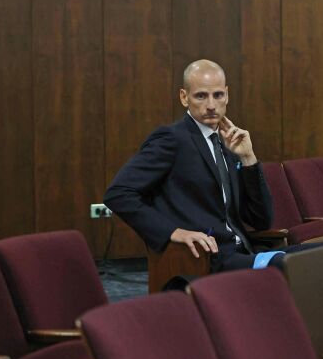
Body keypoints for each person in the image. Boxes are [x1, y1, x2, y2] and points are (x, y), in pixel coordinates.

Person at [104, 59, 282, 272]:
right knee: (296, 266)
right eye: (201, 96)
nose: (211, 105)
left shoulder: (228, 142)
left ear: (227, 95)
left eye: (218, 95)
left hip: (245, 250)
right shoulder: (171, 139)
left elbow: (262, 221)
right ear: (184, 97)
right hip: (210, 260)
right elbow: (118, 193)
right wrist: (172, 231)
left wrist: (248, 159)